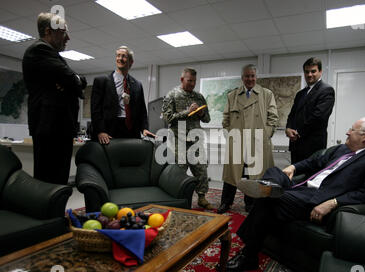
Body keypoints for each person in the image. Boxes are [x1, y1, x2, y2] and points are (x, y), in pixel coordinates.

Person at [226, 117, 365, 272]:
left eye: (352, 129)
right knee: (274, 171)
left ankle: (249, 256)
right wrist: (293, 167)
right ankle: (270, 187)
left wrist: (334, 202)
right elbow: (314, 161)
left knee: (268, 201)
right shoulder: (341, 149)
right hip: (301, 188)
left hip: (317, 197)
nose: (347, 132)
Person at [22, 12, 87, 185]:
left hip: (58, 128)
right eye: (64, 32)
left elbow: (77, 81)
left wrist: (71, 82)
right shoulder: (39, 50)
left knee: (59, 180)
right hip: (50, 127)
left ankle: (55, 212)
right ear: (49, 31)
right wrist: (72, 81)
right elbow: (71, 79)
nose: (68, 38)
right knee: (48, 181)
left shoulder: (53, 56)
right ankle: (48, 213)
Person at [217, 64, 279, 213]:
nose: (250, 79)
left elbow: (273, 117)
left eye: (252, 76)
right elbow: (225, 119)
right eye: (247, 76)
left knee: (254, 174)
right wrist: (230, 134)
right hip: (237, 141)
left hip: (257, 141)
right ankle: (226, 202)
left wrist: (266, 135)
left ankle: (250, 203)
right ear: (242, 78)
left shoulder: (266, 94)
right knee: (232, 174)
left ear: (256, 77)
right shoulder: (232, 95)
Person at [162, 67, 213, 210]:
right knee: (179, 171)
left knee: (201, 170)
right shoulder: (172, 95)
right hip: (178, 139)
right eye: (189, 81)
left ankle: (202, 197)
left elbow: (208, 119)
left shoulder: (199, 97)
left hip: (195, 139)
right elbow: (167, 118)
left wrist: (202, 113)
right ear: (182, 79)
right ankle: (179, 199)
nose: (192, 84)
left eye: (194, 81)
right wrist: (187, 112)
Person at [91, 46, 155, 144]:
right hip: (109, 131)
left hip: (131, 131)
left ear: (131, 62)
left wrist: (144, 128)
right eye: (118, 56)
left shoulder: (137, 84)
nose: (120, 58)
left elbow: (142, 110)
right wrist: (100, 130)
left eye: (124, 56)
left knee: (131, 158)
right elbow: (95, 109)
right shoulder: (101, 81)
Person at [285, 57, 335, 164]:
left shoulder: (326, 90)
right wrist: (288, 128)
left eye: (313, 71)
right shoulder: (300, 94)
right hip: (296, 146)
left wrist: (298, 132)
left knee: (309, 178)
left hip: (313, 147)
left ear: (320, 72)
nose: (309, 74)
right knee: (295, 177)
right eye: (307, 72)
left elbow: (318, 117)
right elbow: (292, 114)